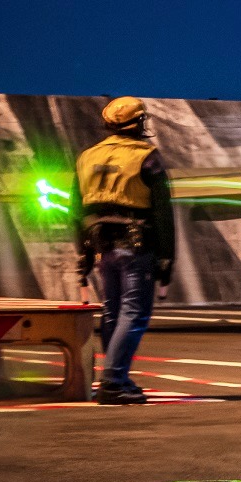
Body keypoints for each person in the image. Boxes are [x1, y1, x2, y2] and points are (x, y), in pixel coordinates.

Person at [74, 97, 174, 405]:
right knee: (134, 314)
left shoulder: (87, 157)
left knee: (113, 313)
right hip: (136, 248)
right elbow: (163, 212)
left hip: (102, 248)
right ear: (140, 122)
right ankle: (113, 382)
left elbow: (76, 210)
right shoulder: (147, 157)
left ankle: (119, 378)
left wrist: (83, 254)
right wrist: (167, 257)